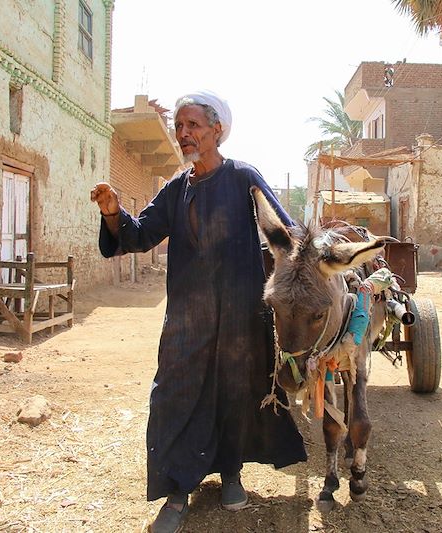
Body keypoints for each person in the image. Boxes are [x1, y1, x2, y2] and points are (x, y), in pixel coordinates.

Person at [90, 90, 306, 532]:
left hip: (241, 317)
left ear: (216, 131)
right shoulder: (175, 190)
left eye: (193, 126)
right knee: (174, 397)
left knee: (236, 394)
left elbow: (283, 229)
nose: (184, 133)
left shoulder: (243, 177)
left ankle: (231, 474)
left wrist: (307, 254)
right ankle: (177, 492)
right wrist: (114, 214)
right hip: (188, 320)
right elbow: (138, 235)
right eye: (180, 127)